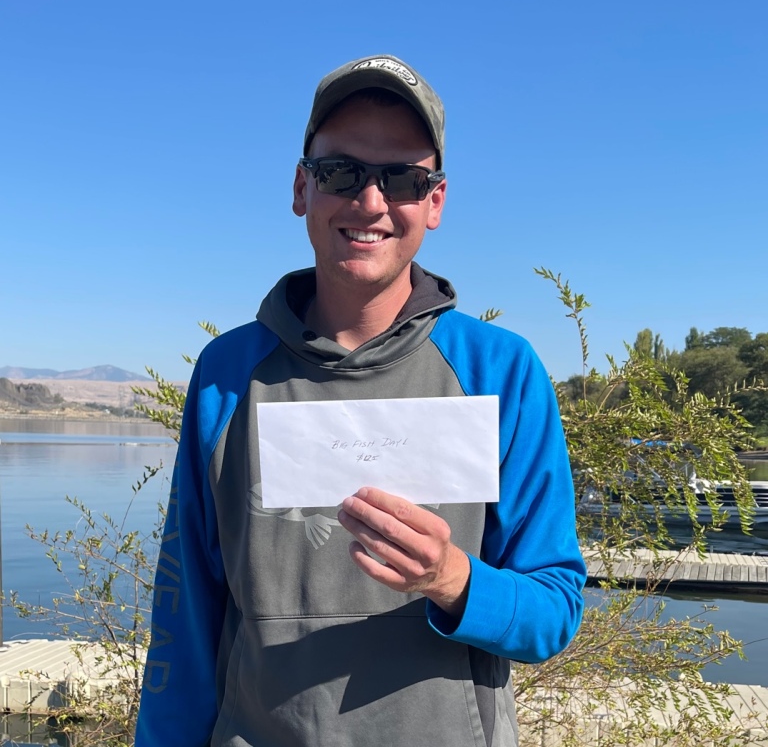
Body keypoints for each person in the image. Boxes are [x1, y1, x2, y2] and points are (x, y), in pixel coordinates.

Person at [135, 54, 586, 747]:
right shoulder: (227, 373)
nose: (371, 202)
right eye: (340, 172)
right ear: (301, 187)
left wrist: (453, 579)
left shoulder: (501, 371)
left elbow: (553, 612)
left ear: (435, 202)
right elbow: (183, 617)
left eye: (403, 179)